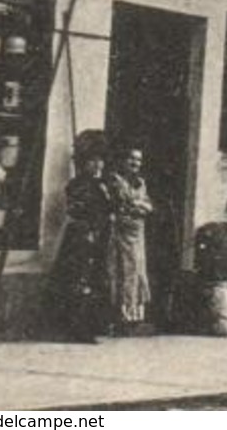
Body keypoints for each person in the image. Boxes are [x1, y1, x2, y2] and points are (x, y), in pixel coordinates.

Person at [49, 130, 113, 343]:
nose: (98, 166)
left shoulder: (103, 186)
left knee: (94, 278)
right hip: (81, 237)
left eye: (101, 161)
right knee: (79, 279)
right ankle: (76, 328)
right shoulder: (76, 185)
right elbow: (75, 211)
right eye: (93, 161)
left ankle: (92, 325)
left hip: (99, 235)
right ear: (84, 162)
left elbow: (109, 209)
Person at [105, 147, 153, 334]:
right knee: (122, 270)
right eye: (132, 159)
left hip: (137, 231)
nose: (135, 163)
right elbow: (124, 202)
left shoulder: (140, 182)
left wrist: (141, 206)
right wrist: (139, 206)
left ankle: (134, 316)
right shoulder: (116, 180)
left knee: (138, 269)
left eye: (139, 160)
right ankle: (120, 316)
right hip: (121, 232)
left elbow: (148, 204)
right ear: (123, 160)